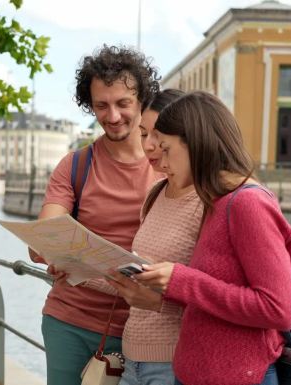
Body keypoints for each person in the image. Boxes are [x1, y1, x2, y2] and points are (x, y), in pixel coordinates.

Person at [133, 91, 291, 385]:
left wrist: (181, 281)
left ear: (197, 145)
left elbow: (280, 309)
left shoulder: (247, 204)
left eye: (167, 148)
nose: (161, 159)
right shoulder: (217, 201)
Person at [29, 45, 161, 385]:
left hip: (145, 330)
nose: (113, 116)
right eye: (101, 105)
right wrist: (54, 250)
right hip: (69, 321)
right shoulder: (75, 165)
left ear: (142, 100)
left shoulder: (167, 167)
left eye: (123, 103)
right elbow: (43, 240)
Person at [103, 89, 203, 385]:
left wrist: (158, 303)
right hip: (131, 357)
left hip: (172, 364)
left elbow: (214, 297)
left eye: (157, 136)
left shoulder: (209, 202)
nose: (148, 146)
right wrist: (76, 267)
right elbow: (140, 277)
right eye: (143, 133)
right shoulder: (156, 193)